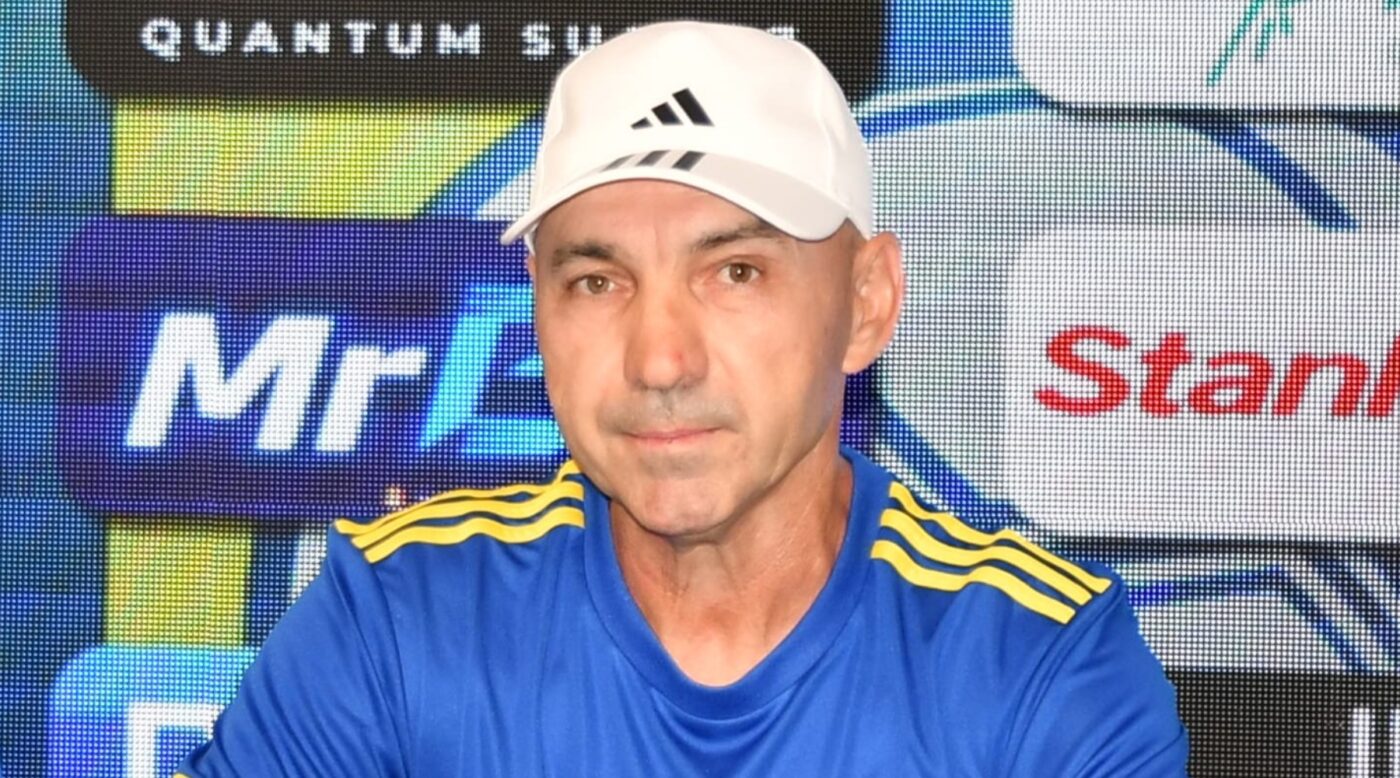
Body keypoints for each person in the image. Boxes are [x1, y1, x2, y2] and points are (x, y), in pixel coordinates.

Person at [178, 20, 1188, 776]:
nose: (659, 360)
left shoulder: (1039, 665)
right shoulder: (397, 614)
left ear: (866, 303)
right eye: (597, 281)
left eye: (734, 273)